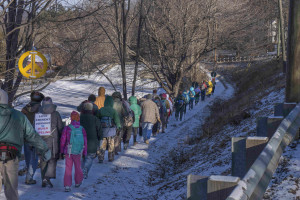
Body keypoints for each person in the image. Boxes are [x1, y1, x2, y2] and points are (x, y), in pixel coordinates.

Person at [0, 89, 50, 200]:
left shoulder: (24, 111)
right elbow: (32, 135)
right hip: (11, 155)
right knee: (11, 190)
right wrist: (44, 149)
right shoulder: (18, 116)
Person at [38, 97, 64, 188]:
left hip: (41, 141)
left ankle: (43, 178)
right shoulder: (56, 114)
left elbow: (35, 127)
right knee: (52, 159)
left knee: (43, 160)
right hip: (53, 141)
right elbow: (60, 127)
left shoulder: (39, 114)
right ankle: (47, 177)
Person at [21, 91, 44, 185]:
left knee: (27, 156)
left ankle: (28, 171)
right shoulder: (42, 110)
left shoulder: (24, 109)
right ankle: (29, 178)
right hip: (36, 136)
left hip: (26, 136)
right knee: (34, 158)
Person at [60, 111, 87, 192]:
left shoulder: (67, 128)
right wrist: (84, 152)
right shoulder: (82, 129)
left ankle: (67, 185)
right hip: (78, 151)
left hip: (68, 151)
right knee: (78, 167)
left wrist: (62, 151)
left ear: (71, 118)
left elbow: (63, 140)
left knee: (68, 168)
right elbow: (85, 141)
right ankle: (78, 182)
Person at [80, 101, 102, 178]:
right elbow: (99, 130)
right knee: (90, 156)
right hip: (92, 141)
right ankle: (85, 170)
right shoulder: (95, 119)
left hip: (80, 141)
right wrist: (100, 139)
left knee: (82, 156)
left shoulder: (79, 118)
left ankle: (82, 170)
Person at [97, 96, 121, 162]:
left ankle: (101, 158)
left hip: (103, 131)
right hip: (111, 131)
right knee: (111, 145)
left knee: (102, 145)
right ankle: (111, 157)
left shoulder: (101, 109)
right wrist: (119, 126)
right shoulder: (113, 111)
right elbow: (117, 120)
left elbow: (97, 119)